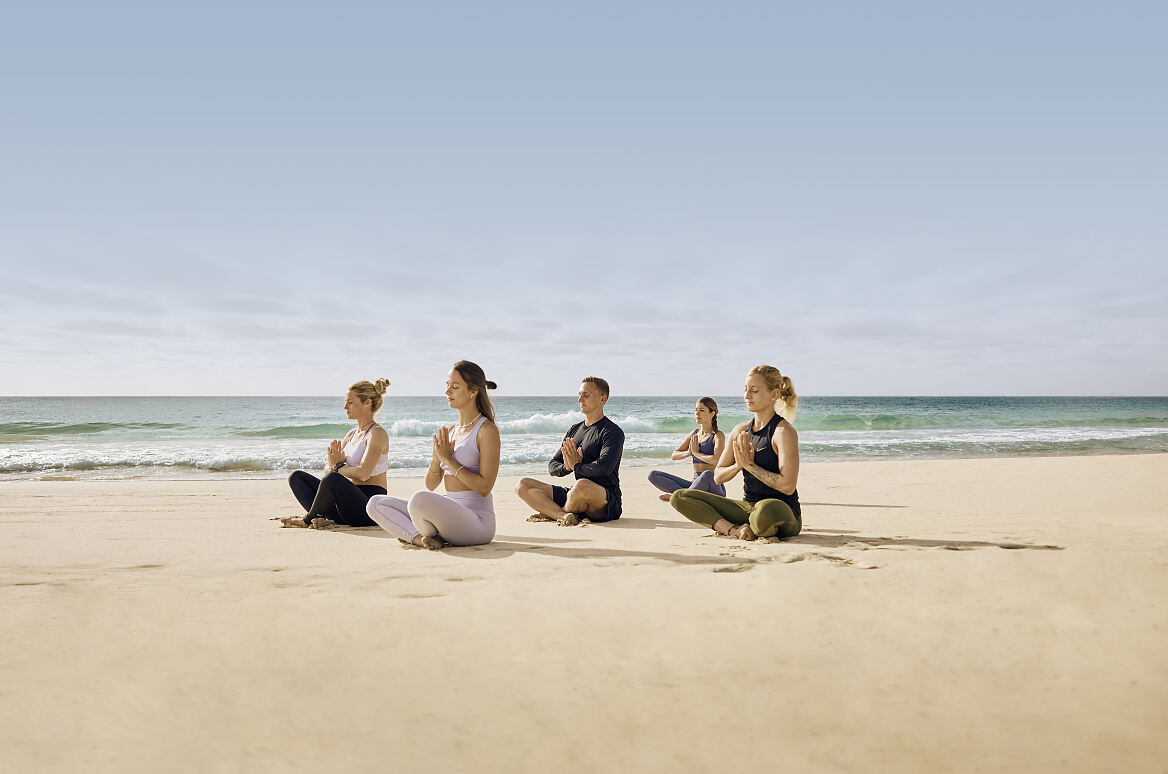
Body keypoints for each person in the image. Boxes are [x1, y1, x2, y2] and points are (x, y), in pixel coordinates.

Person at [365, 361, 501, 549]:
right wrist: (437, 459)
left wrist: (448, 460)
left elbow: (485, 487)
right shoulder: (451, 431)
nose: (447, 392)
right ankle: (421, 539)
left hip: (477, 523)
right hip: (449, 514)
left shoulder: (487, 430)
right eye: (447, 386)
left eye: (454, 387)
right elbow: (431, 484)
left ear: (473, 391)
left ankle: (426, 532)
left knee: (419, 500)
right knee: (375, 503)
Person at [669, 366, 801, 541]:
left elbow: (787, 485)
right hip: (748, 507)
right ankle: (734, 530)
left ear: (774, 394)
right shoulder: (740, 430)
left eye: (754, 391)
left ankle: (754, 525)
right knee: (680, 496)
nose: (747, 396)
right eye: (746, 390)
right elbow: (718, 476)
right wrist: (739, 465)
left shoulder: (783, 432)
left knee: (763, 512)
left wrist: (750, 466)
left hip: (781, 510)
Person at [515, 377, 624, 526]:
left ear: (602, 399)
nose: (580, 399)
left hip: (605, 500)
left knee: (582, 485)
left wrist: (576, 467)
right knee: (523, 484)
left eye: (586, 395)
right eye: (579, 394)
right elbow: (553, 466)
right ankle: (563, 515)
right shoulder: (574, 430)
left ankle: (553, 513)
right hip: (574, 494)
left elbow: (605, 467)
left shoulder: (612, 431)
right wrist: (567, 467)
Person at [282, 379, 391, 528]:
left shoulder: (376, 434)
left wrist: (338, 467)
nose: (345, 407)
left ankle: (308, 520)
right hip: (345, 508)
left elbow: (364, 474)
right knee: (297, 477)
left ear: (367, 403)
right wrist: (336, 467)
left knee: (333, 478)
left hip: (368, 509)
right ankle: (321, 517)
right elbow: (328, 469)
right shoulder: (351, 434)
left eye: (350, 402)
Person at [647, 397, 726, 501]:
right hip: (695, 484)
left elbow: (717, 460)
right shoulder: (694, 434)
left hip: (713, 487)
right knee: (653, 475)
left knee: (707, 474)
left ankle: (679, 497)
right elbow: (674, 455)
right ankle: (685, 495)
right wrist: (689, 452)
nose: (697, 413)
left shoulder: (717, 435)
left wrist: (696, 454)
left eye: (702, 410)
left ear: (712, 413)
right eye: (696, 410)